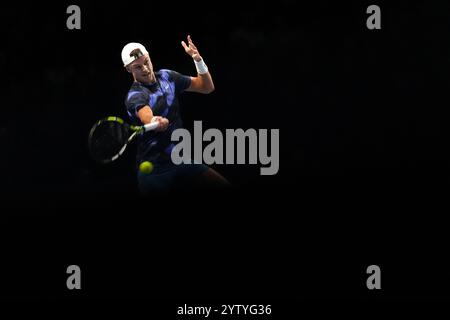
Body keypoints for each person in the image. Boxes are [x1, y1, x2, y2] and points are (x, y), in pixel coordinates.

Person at [121, 36, 229, 194]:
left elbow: (207, 87)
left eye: (146, 62)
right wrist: (154, 120)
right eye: (137, 67)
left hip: (181, 160)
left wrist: (198, 61)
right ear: (128, 69)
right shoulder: (135, 95)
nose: (145, 69)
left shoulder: (167, 77)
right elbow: (145, 114)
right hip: (154, 173)